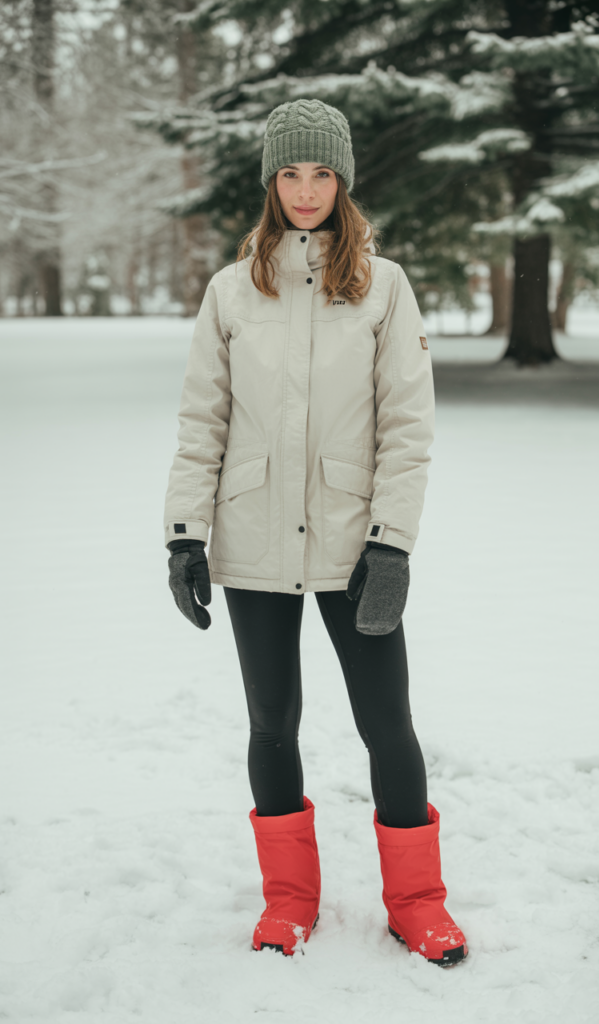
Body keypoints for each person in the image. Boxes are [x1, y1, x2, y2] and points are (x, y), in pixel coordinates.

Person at [164, 98, 467, 967]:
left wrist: (392, 543)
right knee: (271, 725)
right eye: (290, 173)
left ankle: (418, 905)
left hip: (351, 544)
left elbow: (408, 427)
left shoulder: (384, 283)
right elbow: (202, 424)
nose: (305, 190)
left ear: (343, 181)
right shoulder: (230, 290)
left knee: (388, 725)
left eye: (321, 173)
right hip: (253, 541)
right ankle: (289, 902)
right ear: (271, 182)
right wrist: (185, 534)